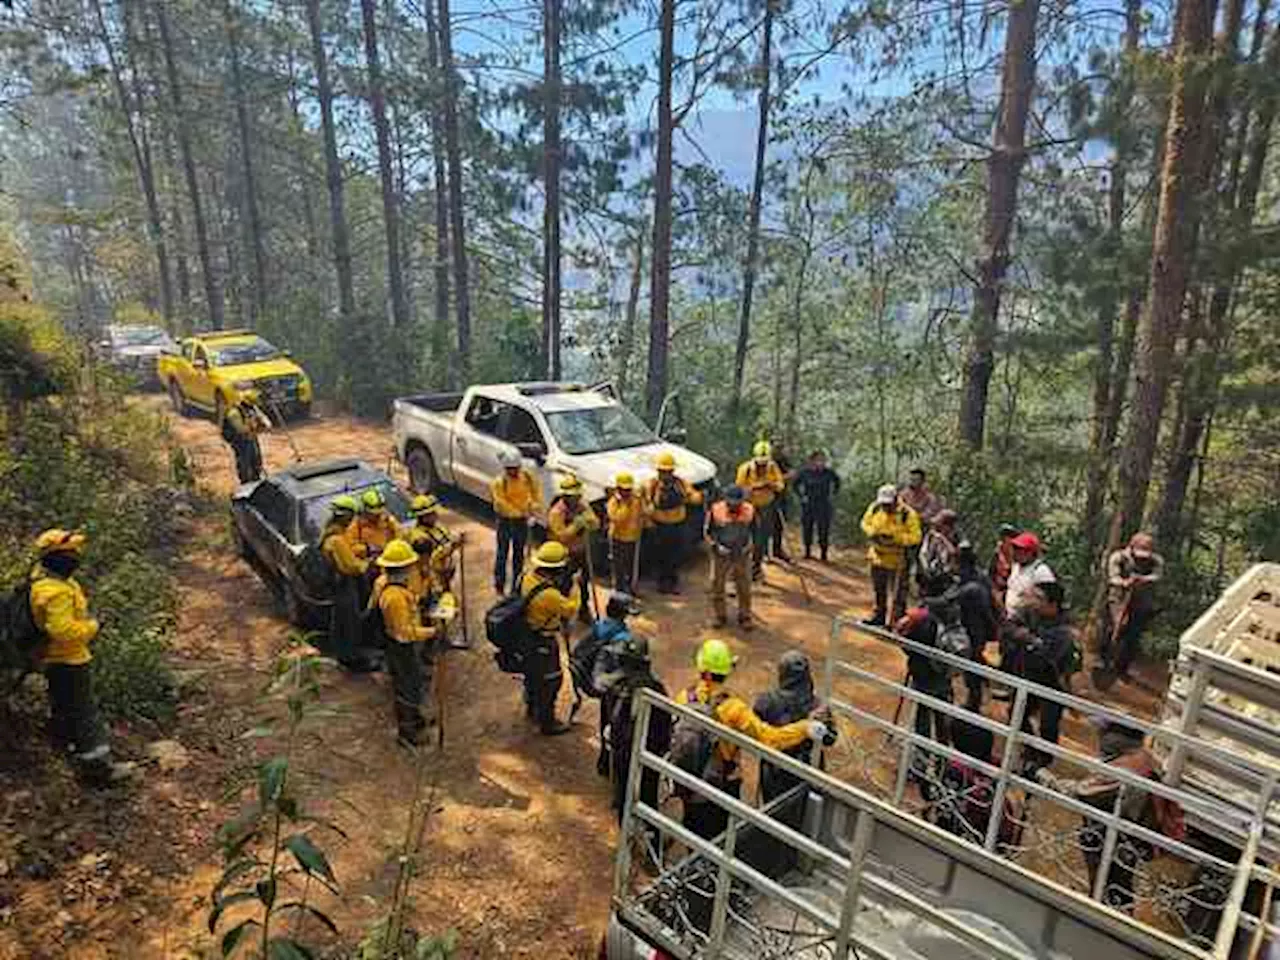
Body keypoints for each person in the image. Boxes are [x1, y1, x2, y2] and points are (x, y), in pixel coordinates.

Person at [675, 639, 828, 840]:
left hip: (688, 778)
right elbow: (769, 739)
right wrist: (805, 727)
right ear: (727, 671)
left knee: (693, 829)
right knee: (719, 837)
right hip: (721, 782)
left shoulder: (684, 697)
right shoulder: (734, 708)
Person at [1037, 720, 1184, 915]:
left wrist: (1044, 777)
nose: (1099, 739)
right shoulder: (1144, 758)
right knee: (1118, 886)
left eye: (1104, 734)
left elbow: (1083, 792)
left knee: (1107, 885)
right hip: (1130, 835)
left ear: (1117, 740)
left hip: (1113, 837)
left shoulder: (1120, 770)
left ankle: (1104, 918)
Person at [28, 529, 131, 786]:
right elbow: (63, 631)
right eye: (71, 553)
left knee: (66, 709)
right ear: (57, 559)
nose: (76, 557)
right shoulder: (55, 592)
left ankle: (71, 756)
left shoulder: (53, 582)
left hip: (59, 659)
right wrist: (93, 627)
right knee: (84, 713)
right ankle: (98, 770)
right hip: (68, 660)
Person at [601, 634, 672, 826]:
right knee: (648, 795)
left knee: (624, 791)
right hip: (647, 751)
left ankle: (628, 830)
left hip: (624, 749)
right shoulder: (655, 687)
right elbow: (665, 723)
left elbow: (608, 717)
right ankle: (650, 839)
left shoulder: (615, 684)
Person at [1003, 581, 1074, 772]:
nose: (1033, 601)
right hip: (1028, 678)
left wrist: (1027, 639)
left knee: (1048, 726)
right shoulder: (1031, 614)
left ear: (1053, 604)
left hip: (1052, 683)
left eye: (1039, 598)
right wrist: (1027, 638)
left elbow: (1046, 657)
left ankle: (1042, 763)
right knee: (1016, 715)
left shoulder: (1064, 631)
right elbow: (1008, 628)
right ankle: (1031, 751)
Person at [753, 651, 834, 803]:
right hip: (809, 768)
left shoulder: (767, 701)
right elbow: (830, 739)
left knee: (774, 814)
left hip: (776, 769)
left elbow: (755, 730)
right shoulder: (818, 706)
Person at [519, 541, 580, 735]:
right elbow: (570, 609)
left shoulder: (527, 577)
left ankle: (531, 706)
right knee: (551, 680)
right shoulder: (549, 595)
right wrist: (576, 587)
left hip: (527, 635)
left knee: (532, 675)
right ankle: (547, 721)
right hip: (543, 640)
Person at [320, 495, 377, 672]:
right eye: (351, 516)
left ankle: (344, 654)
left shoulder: (330, 533)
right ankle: (353, 660)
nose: (352, 520)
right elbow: (351, 567)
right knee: (349, 622)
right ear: (344, 516)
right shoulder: (336, 540)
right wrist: (369, 564)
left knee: (340, 621)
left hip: (337, 586)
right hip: (344, 585)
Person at [1104, 532, 1165, 682]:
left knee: (1134, 635)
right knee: (1116, 626)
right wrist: (1125, 582)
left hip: (1141, 601)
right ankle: (1105, 657)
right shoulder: (1118, 557)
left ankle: (1122, 667)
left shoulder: (1156, 560)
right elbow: (1113, 577)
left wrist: (1143, 580)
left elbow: (1157, 575)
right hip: (1118, 597)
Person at [860, 484, 922, 625]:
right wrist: (872, 532)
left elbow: (916, 537)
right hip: (877, 557)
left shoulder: (908, 514)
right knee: (879, 589)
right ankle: (878, 616)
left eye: (888, 504)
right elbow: (865, 523)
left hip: (898, 560)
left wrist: (896, 538)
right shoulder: (875, 508)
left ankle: (897, 621)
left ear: (895, 499)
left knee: (898, 593)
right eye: (883, 504)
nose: (886, 507)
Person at [644, 451, 703, 594]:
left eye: (668, 471)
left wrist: (688, 496)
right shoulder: (651, 485)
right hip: (659, 526)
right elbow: (644, 503)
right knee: (660, 555)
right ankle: (661, 583)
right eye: (663, 471)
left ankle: (673, 581)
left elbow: (696, 498)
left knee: (675, 554)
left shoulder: (681, 483)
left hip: (677, 525)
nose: (665, 474)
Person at [547, 473, 600, 623]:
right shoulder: (556, 512)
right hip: (564, 554)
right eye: (572, 496)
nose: (576, 499)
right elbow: (561, 536)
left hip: (583, 550)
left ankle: (584, 609)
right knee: (564, 584)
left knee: (585, 582)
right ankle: (561, 614)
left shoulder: (582, 505)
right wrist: (576, 525)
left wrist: (590, 522)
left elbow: (595, 523)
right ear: (565, 496)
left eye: (577, 495)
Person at [952, 542, 997, 711]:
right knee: (975, 659)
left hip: (971, 629)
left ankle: (974, 702)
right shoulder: (980, 576)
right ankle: (979, 687)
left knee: (971, 664)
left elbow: (952, 600)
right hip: (979, 629)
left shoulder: (968, 584)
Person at [490, 449, 542, 595]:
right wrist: (521, 513)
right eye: (510, 469)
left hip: (521, 521)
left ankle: (516, 585)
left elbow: (536, 492)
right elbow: (501, 504)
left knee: (519, 553)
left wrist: (534, 506)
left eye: (516, 468)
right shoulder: (499, 483)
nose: (513, 471)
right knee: (503, 552)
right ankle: (499, 584)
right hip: (505, 521)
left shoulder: (527, 476)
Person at [735, 441, 786, 580]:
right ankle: (741, 567)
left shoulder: (772, 467)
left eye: (764, 462)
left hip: (767, 506)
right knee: (745, 537)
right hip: (749, 506)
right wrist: (754, 487)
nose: (762, 466)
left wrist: (771, 484)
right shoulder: (745, 469)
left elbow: (781, 485)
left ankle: (756, 567)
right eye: (760, 463)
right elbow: (739, 489)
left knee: (761, 537)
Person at [706, 485, 755, 629]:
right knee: (717, 584)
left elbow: (755, 531)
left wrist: (749, 546)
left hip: (742, 553)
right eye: (730, 502)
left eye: (737, 502)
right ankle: (720, 616)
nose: (733, 505)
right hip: (721, 553)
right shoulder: (715, 510)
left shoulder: (750, 510)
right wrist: (716, 546)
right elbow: (708, 532)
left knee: (744, 585)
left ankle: (745, 616)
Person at [406, 493, 460, 604]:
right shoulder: (418, 537)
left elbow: (447, 538)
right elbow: (430, 559)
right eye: (431, 514)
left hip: (445, 575)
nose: (435, 516)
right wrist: (449, 547)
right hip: (431, 579)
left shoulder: (437, 527)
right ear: (422, 517)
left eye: (434, 513)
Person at [899, 468, 942, 590]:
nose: (912, 482)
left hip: (923, 533)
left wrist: (914, 515)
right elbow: (898, 510)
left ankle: (922, 589)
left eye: (916, 479)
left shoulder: (929, 497)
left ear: (922, 481)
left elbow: (929, 514)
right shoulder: (903, 494)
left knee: (922, 562)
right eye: (911, 479)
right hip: (906, 533)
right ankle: (903, 587)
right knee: (904, 562)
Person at [794, 449, 840, 561]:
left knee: (823, 529)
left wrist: (833, 494)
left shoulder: (829, 472)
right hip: (808, 504)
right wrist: (801, 496)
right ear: (812, 461)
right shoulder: (804, 472)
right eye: (818, 460)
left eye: (822, 460)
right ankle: (807, 551)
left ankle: (823, 553)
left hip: (824, 504)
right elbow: (795, 485)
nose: (820, 463)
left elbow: (837, 482)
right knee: (807, 528)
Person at [606, 473, 645, 595]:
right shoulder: (614, 502)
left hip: (633, 538)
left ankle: (630, 589)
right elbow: (617, 519)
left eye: (629, 489)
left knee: (631, 567)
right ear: (618, 489)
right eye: (624, 490)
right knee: (619, 568)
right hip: (618, 539)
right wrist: (625, 506)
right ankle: (619, 591)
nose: (627, 492)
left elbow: (643, 513)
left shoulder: (636, 500)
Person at [1004, 531, 1056, 616]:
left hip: (1031, 622)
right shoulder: (1016, 567)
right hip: (1011, 619)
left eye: (1021, 549)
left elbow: (1049, 602)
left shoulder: (1041, 571)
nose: (1017, 552)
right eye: (1016, 548)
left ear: (1031, 552)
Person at [223, 396, 270, 484]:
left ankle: (257, 476)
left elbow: (266, 422)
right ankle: (245, 481)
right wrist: (254, 427)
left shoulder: (253, 408)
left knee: (256, 458)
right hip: (240, 441)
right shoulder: (234, 413)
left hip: (251, 437)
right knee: (244, 461)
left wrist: (262, 424)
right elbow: (241, 429)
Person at [918, 509, 960, 590]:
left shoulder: (955, 538)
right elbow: (923, 553)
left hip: (946, 578)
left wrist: (942, 538)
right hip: (929, 575)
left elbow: (953, 553)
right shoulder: (931, 535)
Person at [353, 487, 399, 560]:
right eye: (373, 514)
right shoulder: (356, 525)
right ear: (365, 511)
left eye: (379, 514)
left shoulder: (388, 520)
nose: (377, 517)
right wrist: (368, 549)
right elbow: (352, 548)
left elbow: (400, 536)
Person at [769, 440, 794, 562]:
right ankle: (764, 553)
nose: (779, 450)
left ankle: (777, 550)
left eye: (780, 447)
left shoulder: (785, 461)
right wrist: (782, 478)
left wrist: (787, 477)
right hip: (767, 497)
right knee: (765, 525)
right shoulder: (767, 462)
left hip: (782, 495)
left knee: (779, 525)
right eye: (776, 447)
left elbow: (790, 474)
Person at [989, 523, 1019, 613]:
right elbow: (992, 573)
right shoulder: (997, 554)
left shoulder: (1016, 553)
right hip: (999, 588)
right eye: (1009, 537)